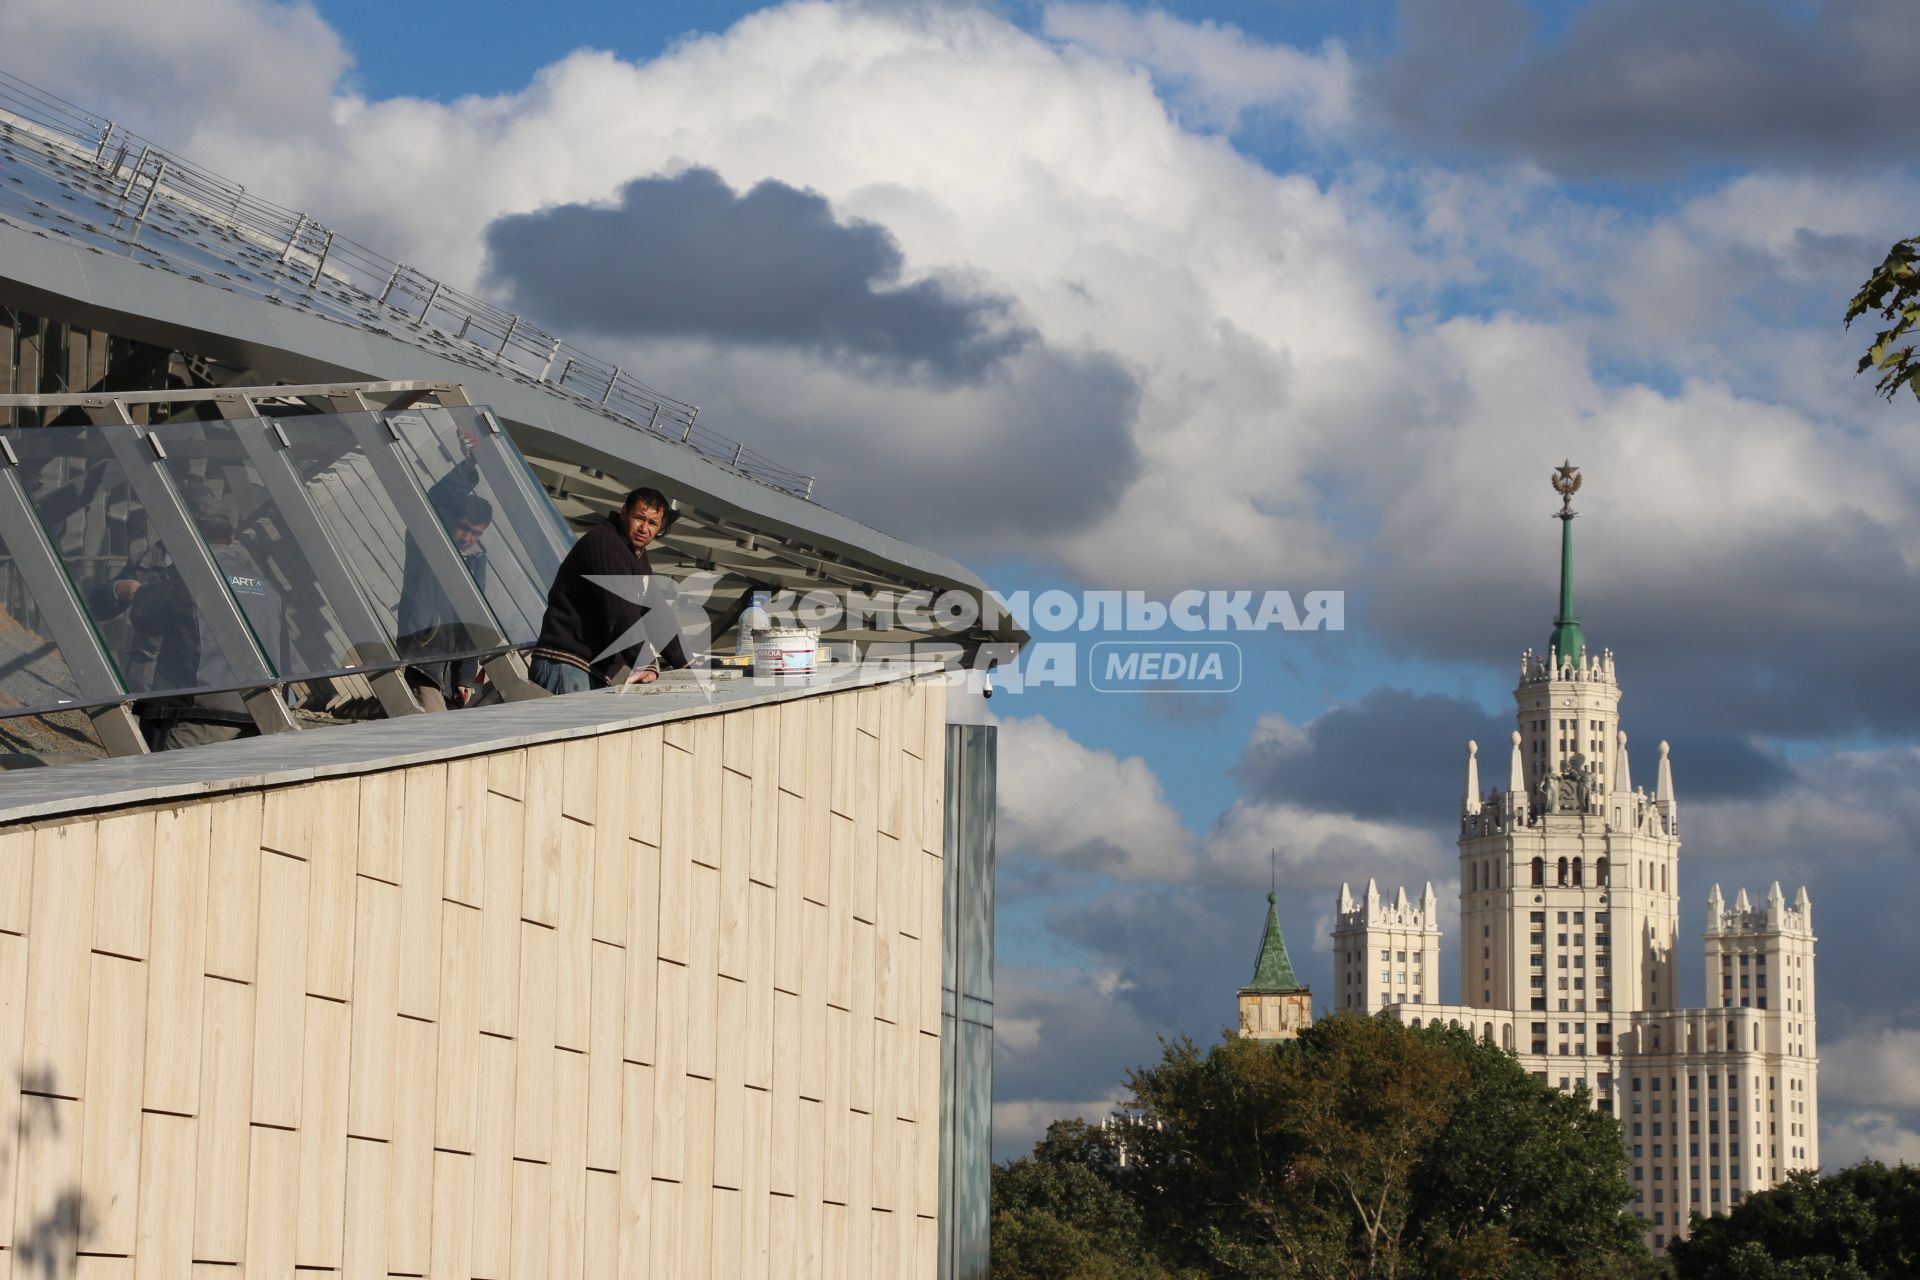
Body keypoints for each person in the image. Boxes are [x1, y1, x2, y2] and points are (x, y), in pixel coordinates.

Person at [133, 489, 288, 749]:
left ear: (190, 533)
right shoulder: (268, 589)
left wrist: (137, 592)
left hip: (200, 716)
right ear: (231, 536)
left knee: (178, 785)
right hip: (262, 715)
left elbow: (143, 618)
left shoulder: (189, 580)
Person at [528, 485, 688, 694]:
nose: (644, 528)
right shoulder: (605, 542)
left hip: (587, 669)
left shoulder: (636, 555)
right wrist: (644, 662)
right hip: (566, 663)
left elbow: (656, 613)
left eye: (652, 523)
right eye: (639, 518)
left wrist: (686, 665)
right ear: (623, 512)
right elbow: (621, 610)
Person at [396, 442, 493, 712]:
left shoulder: (475, 564)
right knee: (432, 727)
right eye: (464, 528)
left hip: (449, 668)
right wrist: (467, 467)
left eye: (475, 533)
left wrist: (465, 676)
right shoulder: (427, 546)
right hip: (423, 655)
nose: (467, 537)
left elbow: (471, 623)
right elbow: (436, 499)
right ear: (452, 520)